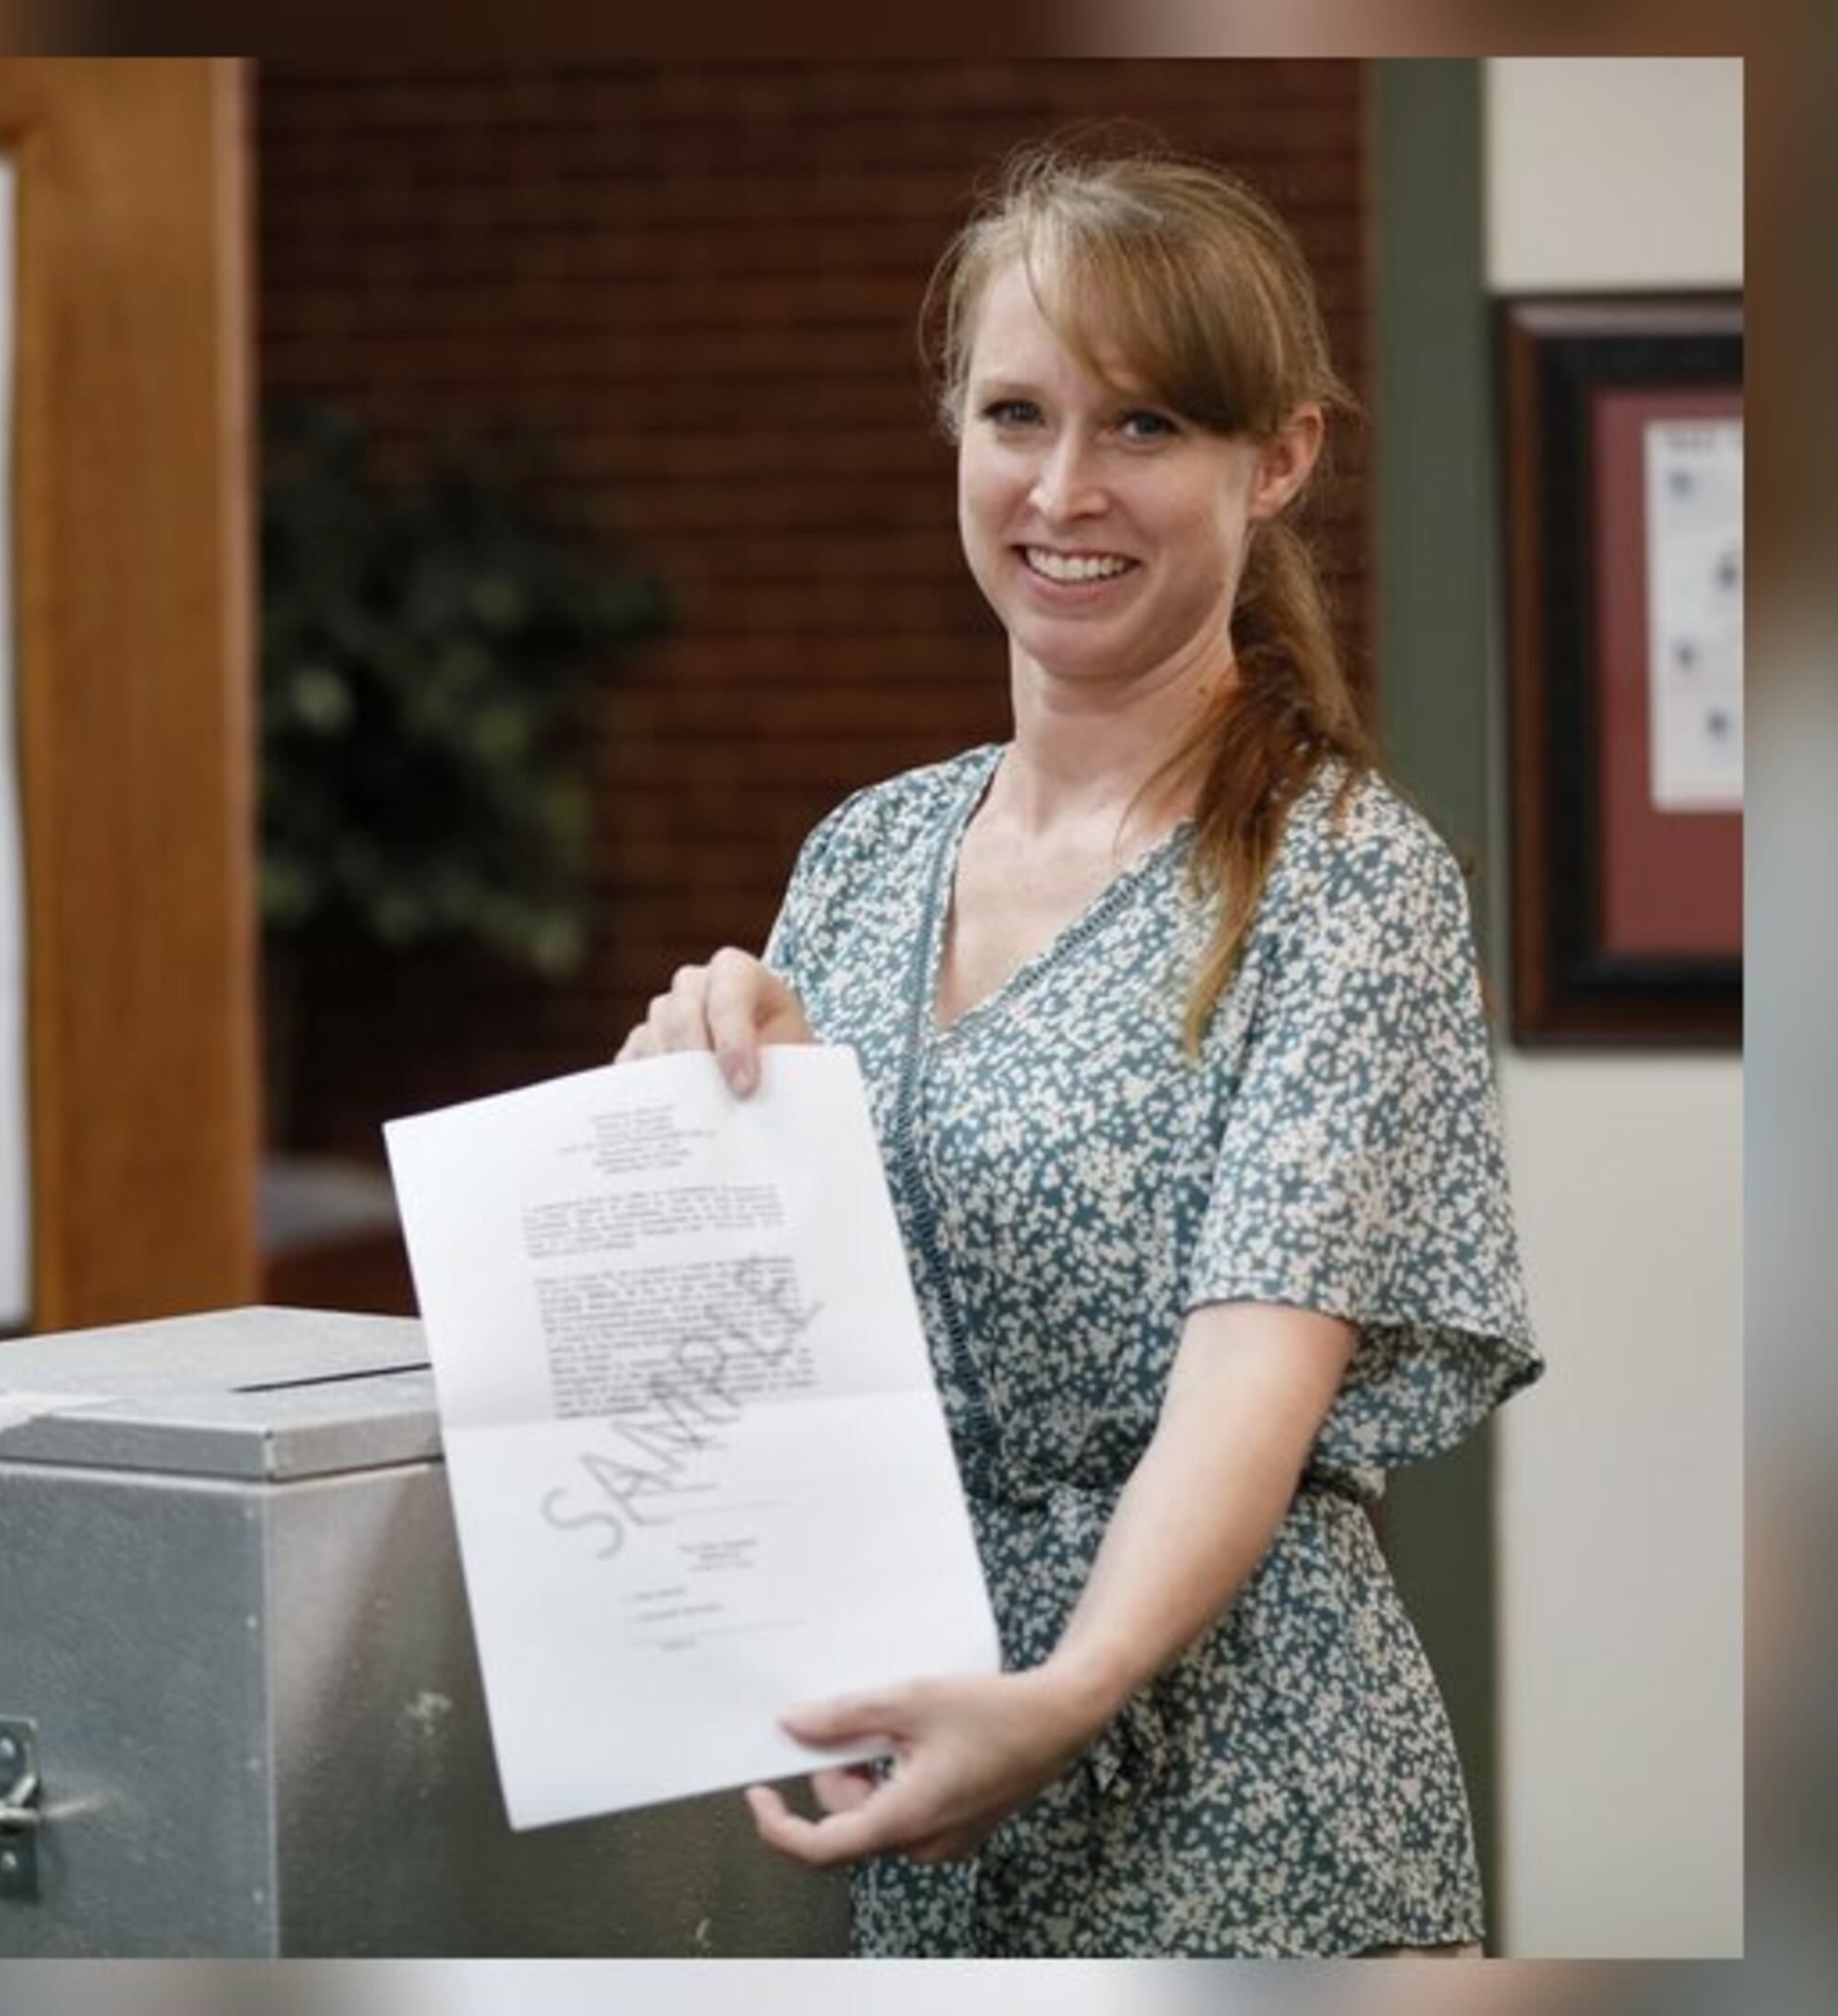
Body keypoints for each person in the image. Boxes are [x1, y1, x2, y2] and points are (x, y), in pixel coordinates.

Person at [612, 146, 1544, 1957]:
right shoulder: (866, 854)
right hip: (902, 1750)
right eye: (1016, 414)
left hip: (1231, 1780)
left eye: (1142, 428)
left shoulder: (1346, 880)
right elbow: (782, 1361)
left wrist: (1073, 1688)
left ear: (1276, 459)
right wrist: (710, 1124)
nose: (1062, 489)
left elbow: (1246, 1388)